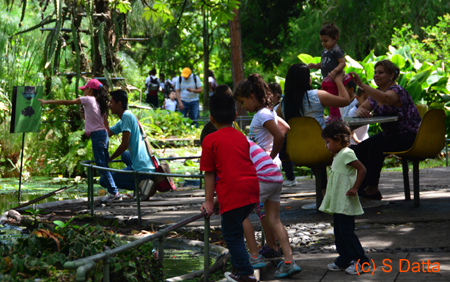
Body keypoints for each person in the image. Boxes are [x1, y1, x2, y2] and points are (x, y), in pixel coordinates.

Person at [200, 86, 260, 282]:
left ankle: (245, 273)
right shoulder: (241, 137)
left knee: (231, 234)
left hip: (234, 192)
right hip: (251, 190)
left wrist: (209, 201)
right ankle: (238, 269)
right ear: (235, 115)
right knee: (235, 226)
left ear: (211, 118)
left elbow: (209, 173)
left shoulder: (210, 140)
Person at [234, 74, 289, 261]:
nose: (242, 107)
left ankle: (271, 246)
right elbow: (286, 127)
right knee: (264, 210)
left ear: (251, 96)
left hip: (265, 168)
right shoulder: (268, 112)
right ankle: (273, 245)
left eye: (242, 102)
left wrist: (270, 155)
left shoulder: (262, 114)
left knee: (261, 210)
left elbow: (281, 136)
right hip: (270, 167)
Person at [349, 60, 422, 200]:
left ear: (391, 75)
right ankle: (361, 186)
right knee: (361, 148)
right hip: (391, 134)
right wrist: (361, 113)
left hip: (409, 135)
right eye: (375, 72)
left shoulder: (397, 91)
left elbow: (387, 99)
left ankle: (372, 188)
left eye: (381, 72)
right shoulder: (376, 94)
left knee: (376, 147)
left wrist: (362, 85)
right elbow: (361, 109)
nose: (376, 75)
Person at [38, 79, 118, 202]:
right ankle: (113, 191)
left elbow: (67, 102)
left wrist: (46, 101)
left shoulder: (88, 99)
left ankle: (114, 192)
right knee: (103, 164)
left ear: (89, 89)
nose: (84, 92)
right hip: (103, 135)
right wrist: (84, 116)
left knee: (102, 165)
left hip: (97, 136)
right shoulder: (100, 103)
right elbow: (103, 123)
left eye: (85, 89)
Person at [243, 139, 302, 278]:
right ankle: (289, 261)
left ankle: (254, 257)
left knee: (240, 215)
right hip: (275, 175)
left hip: (262, 178)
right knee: (274, 220)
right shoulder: (247, 141)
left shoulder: (229, 143)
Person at [319, 121, 369, 275]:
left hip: (345, 202)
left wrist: (355, 187)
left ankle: (361, 261)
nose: (326, 146)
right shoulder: (338, 155)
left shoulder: (347, 153)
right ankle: (344, 259)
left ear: (338, 140)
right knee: (339, 232)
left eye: (328, 142)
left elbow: (362, 169)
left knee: (347, 232)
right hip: (338, 202)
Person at [102, 90, 159, 201]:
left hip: (143, 168)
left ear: (119, 104)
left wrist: (109, 158)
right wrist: (103, 117)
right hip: (147, 165)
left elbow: (124, 145)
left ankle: (142, 186)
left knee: (104, 179)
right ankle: (142, 183)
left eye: (111, 102)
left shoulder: (126, 116)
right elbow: (107, 133)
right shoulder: (125, 118)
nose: (109, 105)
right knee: (125, 155)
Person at [277, 63, 351, 130]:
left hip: (293, 144)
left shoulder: (283, 105)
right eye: (309, 76)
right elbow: (345, 101)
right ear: (305, 80)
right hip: (319, 143)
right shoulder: (317, 95)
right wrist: (338, 81)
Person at [308, 23, 351, 122]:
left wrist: (335, 71)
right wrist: (315, 66)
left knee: (333, 98)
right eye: (322, 41)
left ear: (335, 38)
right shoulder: (324, 51)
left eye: (326, 41)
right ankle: (333, 115)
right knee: (329, 98)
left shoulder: (336, 50)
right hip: (326, 79)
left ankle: (335, 116)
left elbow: (342, 63)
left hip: (334, 79)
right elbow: (323, 63)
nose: (323, 43)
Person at [269, 82, 296, 187]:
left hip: (284, 136)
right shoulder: (276, 107)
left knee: (284, 157)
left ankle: (291, 177)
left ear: (276, 95)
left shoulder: (279, 107)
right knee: (282, 157)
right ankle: (289, 177)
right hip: (280, 136)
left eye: (269, 94)